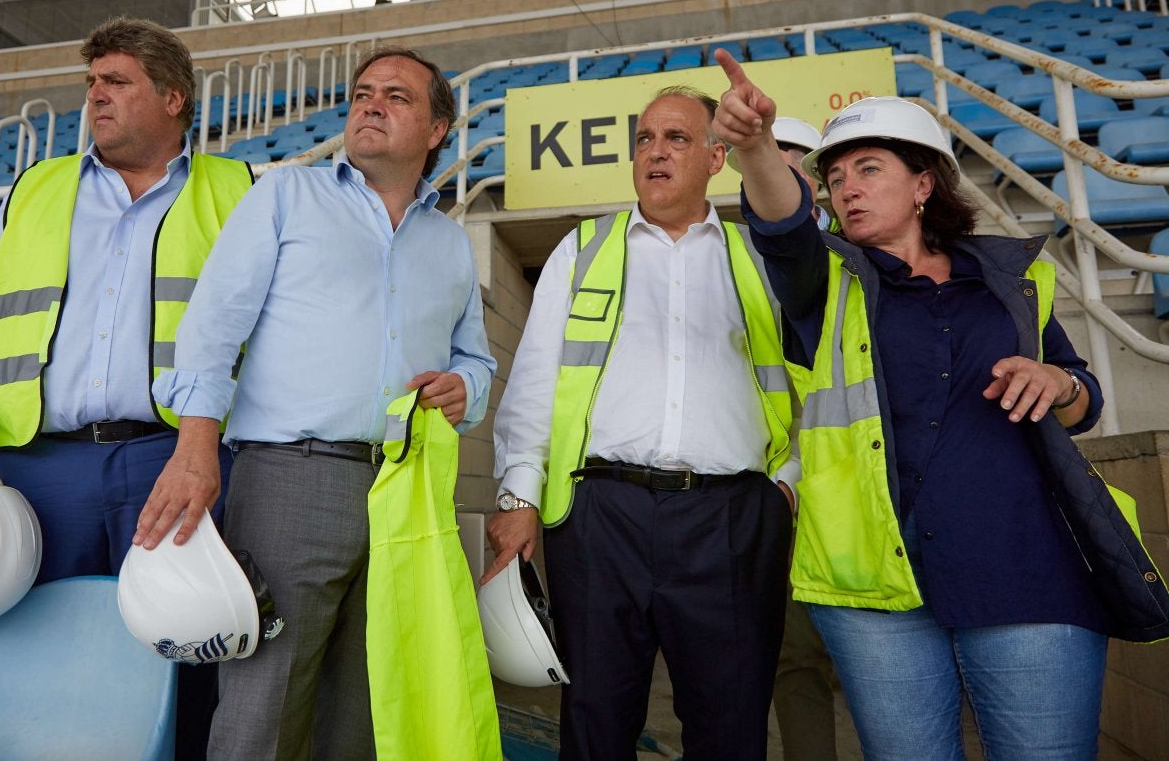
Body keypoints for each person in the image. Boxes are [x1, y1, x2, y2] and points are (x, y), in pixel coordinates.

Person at [714, 48, 1169, 759]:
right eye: (835, 178)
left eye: (869, 170)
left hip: (1027, 570)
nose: (847, 190)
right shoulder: (828, 281)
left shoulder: (1011, 278)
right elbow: (782, 224)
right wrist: (755, 148)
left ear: (924, 183)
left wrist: (1061, 385)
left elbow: (1085, 399)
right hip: (878, 591)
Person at [132, 46, 495, 760]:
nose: (370, 104)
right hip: (291, 479)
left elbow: (475, 360)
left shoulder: (451, 245)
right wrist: (195, 450)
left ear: (437, 130)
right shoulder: (284, 196)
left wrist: (467, 388)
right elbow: (211, 329)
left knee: (366, 705)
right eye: (363, 92)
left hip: (403, 491)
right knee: (266, 703)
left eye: (396, 96)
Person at [0, 17, 255, 760]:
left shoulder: (237, 191)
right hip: (43, 468)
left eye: (116, 82)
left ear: (174, 98)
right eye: (91, 83)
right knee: (41, 659)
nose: (96, 97)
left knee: (190, 660)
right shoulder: (36, 189)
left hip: (178, 458)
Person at [486, 85, 799, 759]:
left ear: (718, 158)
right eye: (645, 139)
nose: (656, 152)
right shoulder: (583, 249)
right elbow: (537, 380)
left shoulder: (759, 258)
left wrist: (786, 488)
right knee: (595, 723)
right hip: (602, 519)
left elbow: (812, 382)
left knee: (731, 727)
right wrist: (518, 498)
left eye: (677, 138)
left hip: (732, 522)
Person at [740, 115, 842, 761]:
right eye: (767, 158)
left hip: (854, 486)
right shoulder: (729, 256)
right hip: (778, 493)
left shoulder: (863, 252)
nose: (778, 170)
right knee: (794, 658)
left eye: (792, 159)